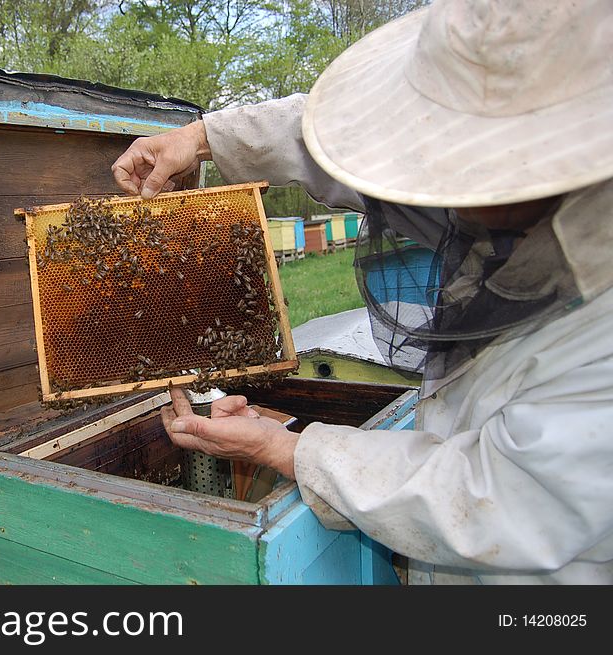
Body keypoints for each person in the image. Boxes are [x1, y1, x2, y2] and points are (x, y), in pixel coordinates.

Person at [110, 0, 613, 584]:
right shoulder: (510, 201)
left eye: (469, 158)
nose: (436, 176)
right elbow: (347, 134)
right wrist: (204, 138)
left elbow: (503, 499)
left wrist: (287, 449)